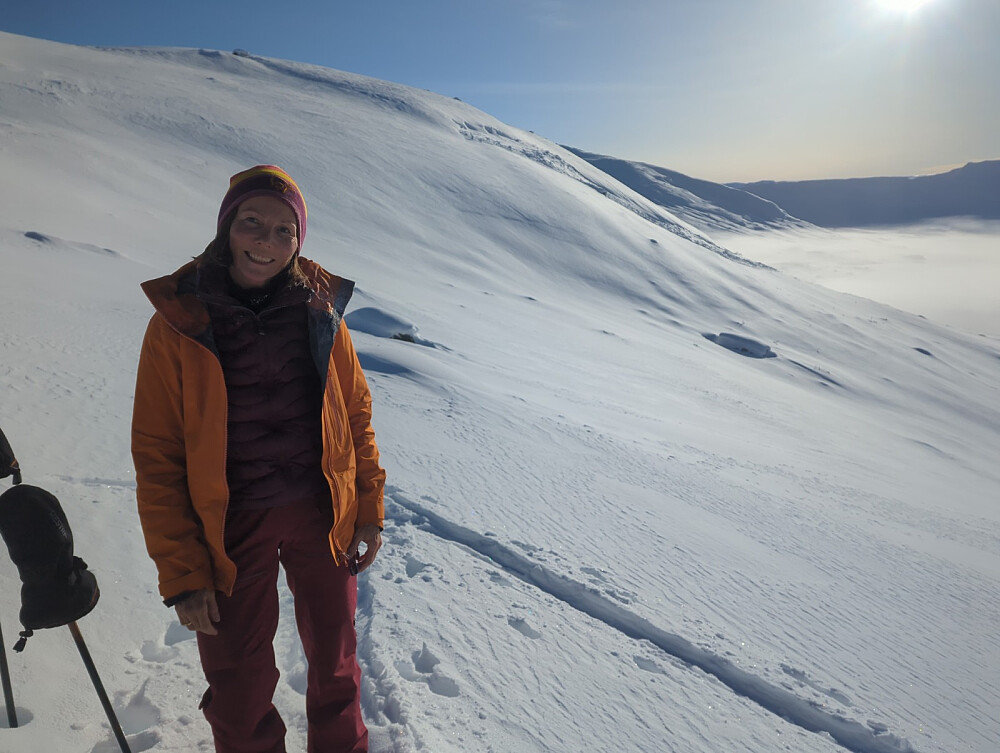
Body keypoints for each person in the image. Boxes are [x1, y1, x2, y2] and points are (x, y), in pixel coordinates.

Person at [131, 165, 385, 753]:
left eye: (283, 230)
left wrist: (368, 509)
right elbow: (158, 454)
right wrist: (184, 572)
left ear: (298, 240)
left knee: (337, 666)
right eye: (252, 222)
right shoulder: (178, 322)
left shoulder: (321, 309)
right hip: (229, 528)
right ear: (227, 226)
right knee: (238, 684)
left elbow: (355, 414)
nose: (265, 242)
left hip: (321, 516)